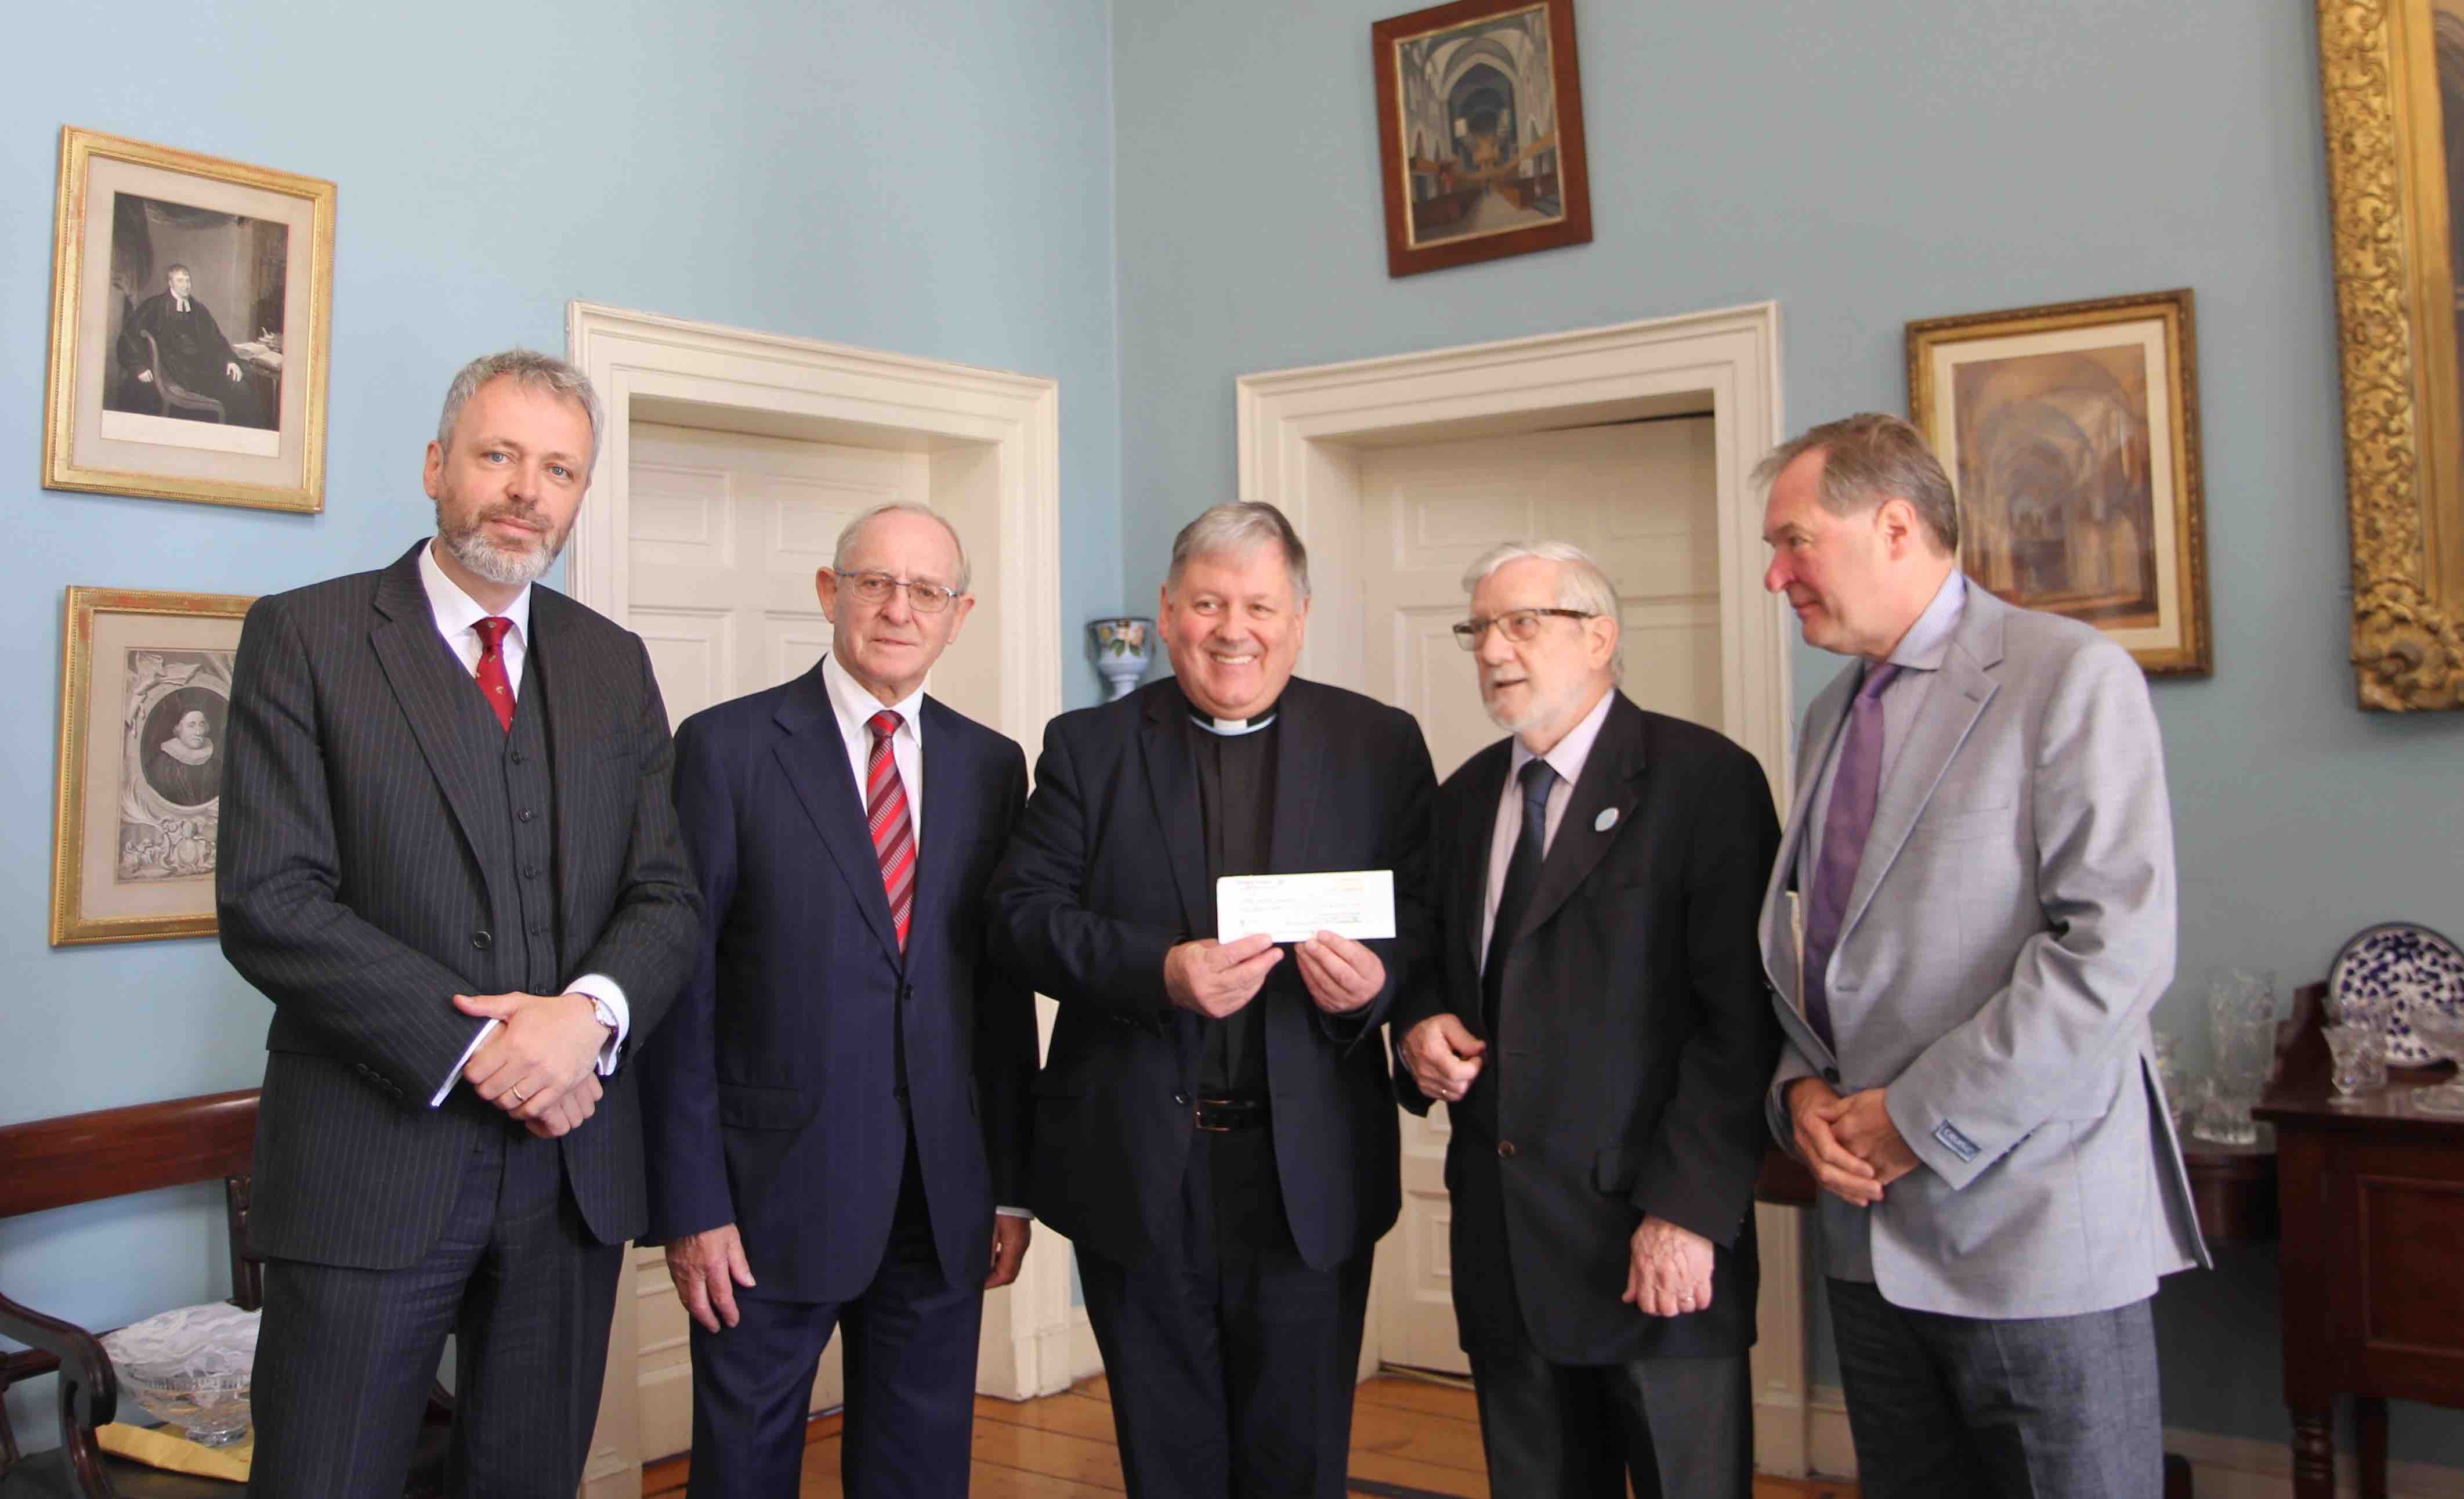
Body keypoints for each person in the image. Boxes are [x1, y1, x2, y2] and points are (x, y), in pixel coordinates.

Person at [218, 349, 702, 1498]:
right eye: (498, 456)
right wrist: (490, 1045)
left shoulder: (611, 663)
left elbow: (666, 893)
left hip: (569, 1176)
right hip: (366, 1168)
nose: (526, 491)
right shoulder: (308, 637)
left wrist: (588, 1016)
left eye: (559, 470)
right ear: (438, 466)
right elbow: (271, 903)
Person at [1754, 413, 2206, 1498]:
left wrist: (1915, 1117)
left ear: (1895, 524)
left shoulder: (2067, 674)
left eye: (1794, 541)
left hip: (2030, 1230)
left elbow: (2113, 949)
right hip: (1868, 1238)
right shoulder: (1829, 712)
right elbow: (1825, 955)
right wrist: (1799, 1090)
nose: (1776, 577)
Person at [988, 501, 1435, 1499]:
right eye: (1207, 602)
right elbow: (1018, 918)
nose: (1233, 628)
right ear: (1167, 608)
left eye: (1259, 604)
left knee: (1298, 1453)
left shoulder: (1379, 743)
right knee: (1167, 1456)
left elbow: (1429, 919)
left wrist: (1380, 983)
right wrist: (1162, 969)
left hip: (1307, 1163)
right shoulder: (1088, 745)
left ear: (1301, 615)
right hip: (1139, 1160)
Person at [641, 502, 1037, 1497]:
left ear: (959, 613)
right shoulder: (725, 749)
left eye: (926, 591)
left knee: (919, 1468)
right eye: (874, 582)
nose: (898, 608)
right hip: (765, 1196)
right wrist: (691, 1203)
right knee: (742, 1468)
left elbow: (996, 992)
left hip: (940, 1194)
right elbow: (678, 992)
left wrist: (1008, 1184)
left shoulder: (993, 767)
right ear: (830, 593)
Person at [1392, 540, 1779, 1498]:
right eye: (1478, 627)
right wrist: (1418, 1023)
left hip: (1652, 1246)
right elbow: (1426, 962)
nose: (1492, 649)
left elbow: (1744, 1020)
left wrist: (1687, 1214)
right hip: (1504, 1248)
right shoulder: (1465, 796)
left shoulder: (1703, 781)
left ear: (1600, 636)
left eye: (1522, 621)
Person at [113, 264, 262, 427]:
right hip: (175, 372)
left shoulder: (198, 309)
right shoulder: (155, 306)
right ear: (170, 283)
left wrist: (229, 360)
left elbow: (216, 339)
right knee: (238, 388)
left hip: (202, 367)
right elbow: (129, 335)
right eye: (180, 281)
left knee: (245, 377)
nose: (186, 285)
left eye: (188, 280)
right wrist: (138, 366)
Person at [146, 707, 221, 806]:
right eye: (191, 726)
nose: (198, 732)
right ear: (179, 729)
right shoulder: (160, 764)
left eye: (202, 725)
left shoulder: (215, 764)